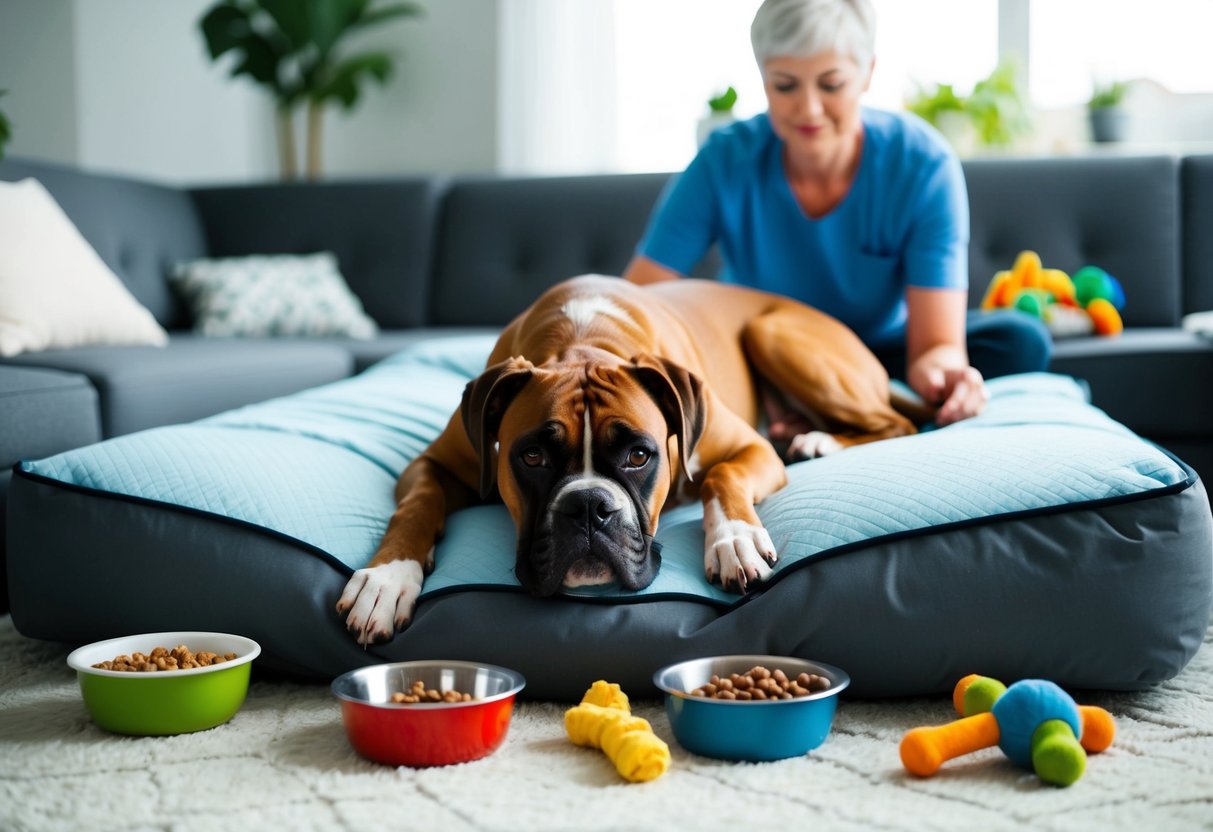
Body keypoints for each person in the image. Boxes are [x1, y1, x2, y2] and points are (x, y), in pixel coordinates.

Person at [623, 0, 1050, 445]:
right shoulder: (722, 162)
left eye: (831, 84)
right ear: (763, 79)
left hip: (879, 353)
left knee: (1019, 340)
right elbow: (637, 300)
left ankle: (838, 414)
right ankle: (811, 412)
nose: (809, 109)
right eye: (785, 85)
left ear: (867, 73)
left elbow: (934, 348)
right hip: (767, 357)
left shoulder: (923, 165)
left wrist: (948, 378)